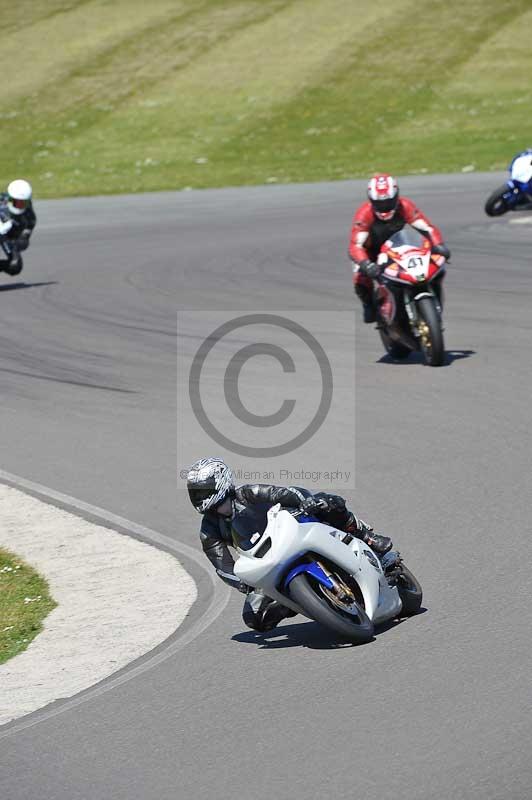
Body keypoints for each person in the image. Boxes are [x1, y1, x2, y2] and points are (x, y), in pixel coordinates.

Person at [186, 457, 392, 632]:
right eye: (195, 493)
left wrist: (306, 502)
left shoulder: (250, 493)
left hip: (289, 531)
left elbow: (285, 494)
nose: (198, 497)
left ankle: (366, 536)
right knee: (254, 618)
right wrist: (243, 584)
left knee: (327, 503)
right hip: (265, 558)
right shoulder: (209, 530)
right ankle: (292, 603)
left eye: (201, 491)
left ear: (220, 481)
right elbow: (222, 567)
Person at [349, 173, 450, 322]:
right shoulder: (364, 214)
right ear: (371, 200)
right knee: (360, 278)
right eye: (379, 204)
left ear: (396, 196)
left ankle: (432, 301)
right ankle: (368, 304)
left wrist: (439, 245)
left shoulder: (405, 206)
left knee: (431, 264)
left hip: (399, 246)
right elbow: (355, 245)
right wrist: (365, 264)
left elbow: (427, 228)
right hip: (371, 252)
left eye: (389, 202)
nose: (384, 207)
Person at [0, 179, 37, 276]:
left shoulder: (29, 214)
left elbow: (29, 228)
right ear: (9, 197)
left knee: (15, 266)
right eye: (16, 202)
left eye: (22, 203)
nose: (19, 205)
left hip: (7, 237)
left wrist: (23, 239)